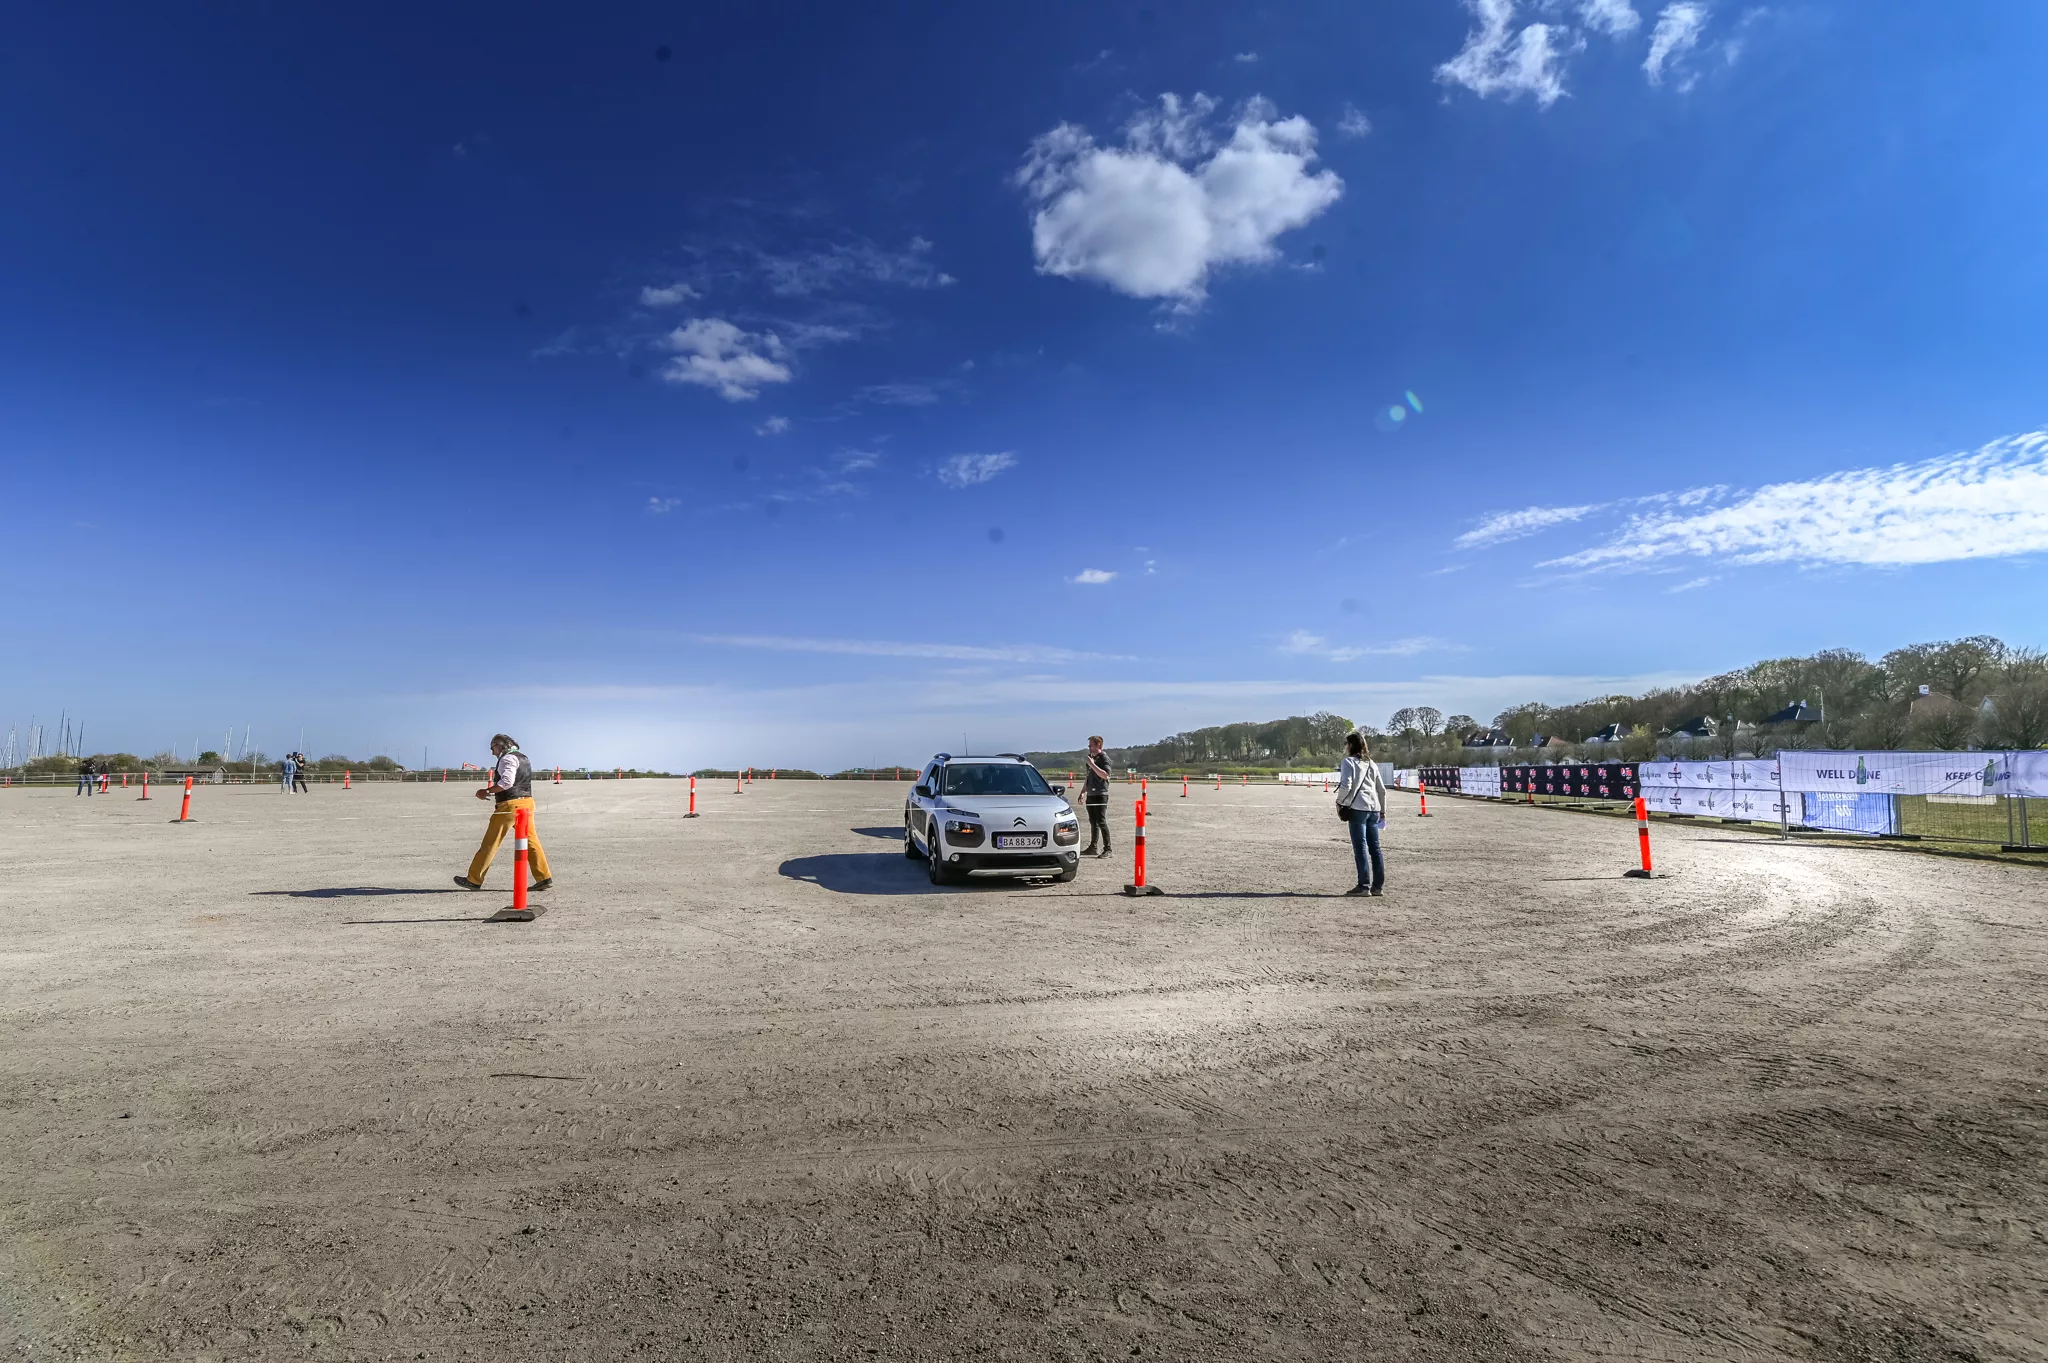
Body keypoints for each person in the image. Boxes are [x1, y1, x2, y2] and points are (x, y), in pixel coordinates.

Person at [455, 733, 553, 891]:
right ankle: (543, 877)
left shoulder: (507, 758)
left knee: (490, 842)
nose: (492, 752)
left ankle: (474, 879)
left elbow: (507, 782)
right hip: (527, 802)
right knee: (531, 842)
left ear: (499, 745)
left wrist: (486, 791)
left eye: (492, 748)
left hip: (509, 805)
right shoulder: (523, 758)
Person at [1335, 730, 1388, 896]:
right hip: (1374, 808)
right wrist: (1383, 811)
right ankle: (1377, 886)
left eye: (1346, 743)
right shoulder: (1372, 764)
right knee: (1375, 848)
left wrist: (1339, 802)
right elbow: (1382, 790)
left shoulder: (1348, 762)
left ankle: (1364, 885)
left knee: (1360, 847)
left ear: (1351, 745)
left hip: (1358, 807)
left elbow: (1346, 786)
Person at [1080, 734, 1112, 857]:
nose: (1089, 748)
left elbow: (1105, 775)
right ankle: (1093, 847)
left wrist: (1093, 764)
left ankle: (1108, 849)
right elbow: (1088, 777)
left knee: (1101, 821)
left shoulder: (1104, 758)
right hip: (1091, 794)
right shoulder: (1090, 759)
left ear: (1098, 745)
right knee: (1093, 822)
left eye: (1091, 745)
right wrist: (1083, 791)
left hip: (1100, 794)